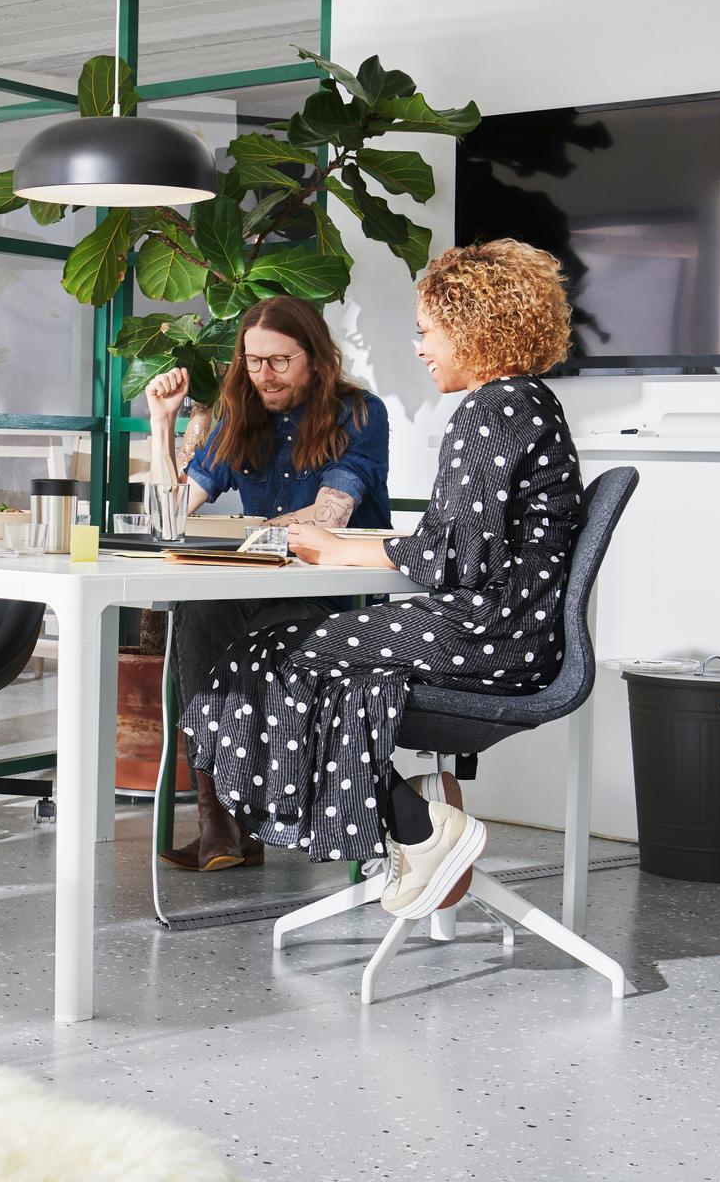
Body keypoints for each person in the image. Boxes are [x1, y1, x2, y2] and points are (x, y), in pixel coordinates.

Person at [188, 239, 582, 919]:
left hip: (488, 630)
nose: (422, 348)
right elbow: (461, 544)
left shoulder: (493, 411)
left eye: (427, 332)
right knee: (293, 660)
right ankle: (411, 833)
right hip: (504, 625)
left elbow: (456, 557)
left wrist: (340, 554)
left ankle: (420, 831)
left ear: (472, 327)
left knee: (262, 658)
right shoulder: (523, 403)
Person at [147, 294, 390, 872]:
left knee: (215, 620)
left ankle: (227, 823)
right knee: (199, 610)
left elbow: (328, 517)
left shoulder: (358, 413)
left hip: (333, 596)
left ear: (315, 357)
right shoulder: (240, 412)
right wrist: (162, 427)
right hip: (256, 588)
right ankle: (221, 821)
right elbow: (168, 517)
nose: (264, 375)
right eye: (253, 362)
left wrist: (249, 533)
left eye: (280, 361)